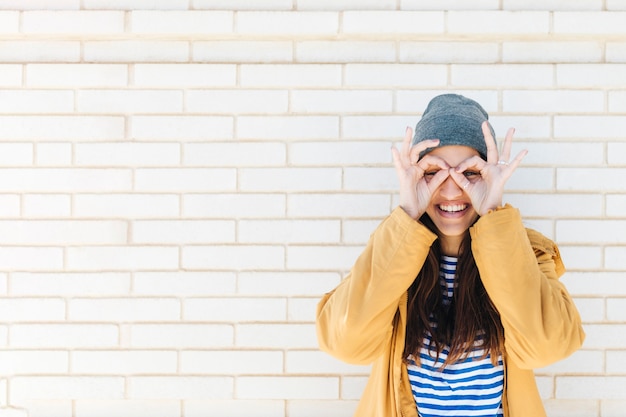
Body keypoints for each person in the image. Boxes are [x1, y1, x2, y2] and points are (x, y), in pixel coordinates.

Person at [315, 94, 585, 417]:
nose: (452, 190)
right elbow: (343, 341)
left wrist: (493, 215)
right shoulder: (394, 251)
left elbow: (549, 346)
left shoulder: (526, 251)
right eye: (435, 172)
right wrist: (407, 214)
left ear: (489, 175)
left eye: (468, 173)